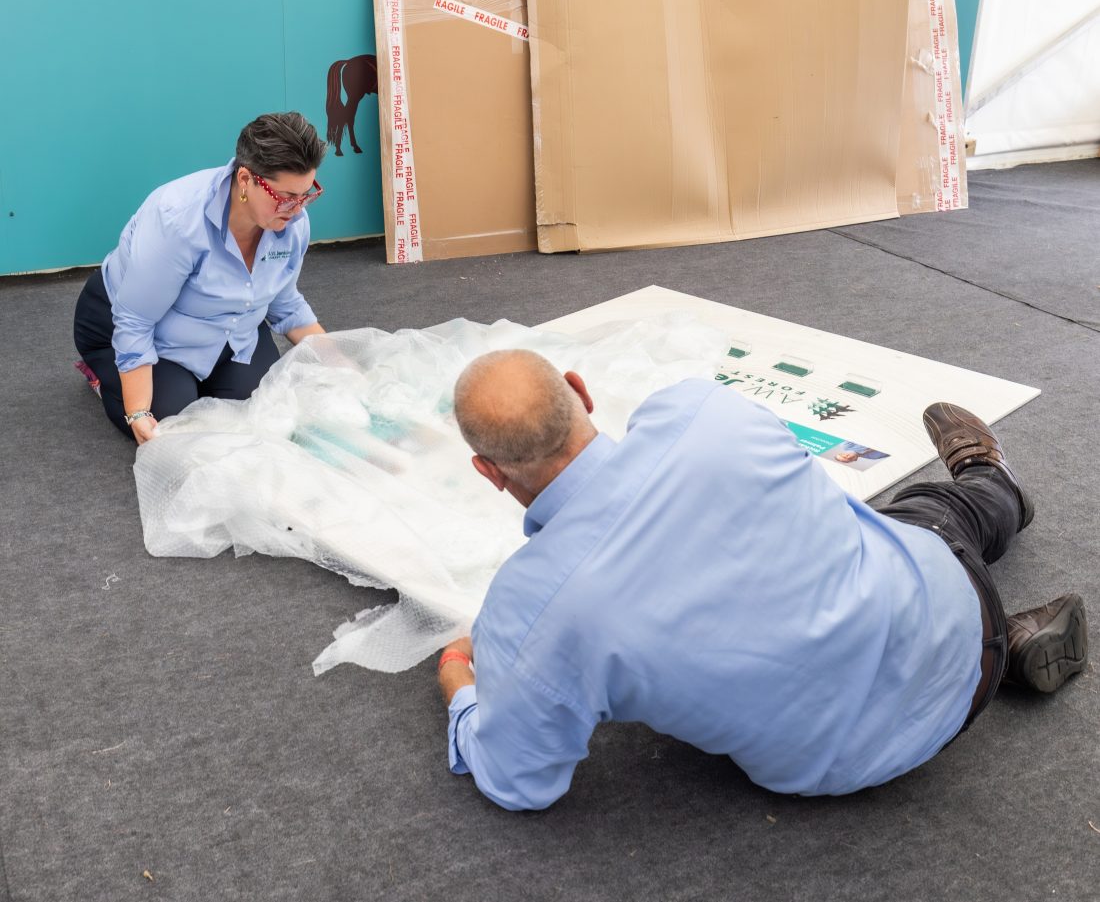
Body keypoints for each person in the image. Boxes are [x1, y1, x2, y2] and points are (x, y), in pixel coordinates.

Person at [437, 352, 1088, 811]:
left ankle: (1013, 617)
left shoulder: (529, 611)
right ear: (581, 391)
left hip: (843, 765)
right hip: (954, 620)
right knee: (929, 513)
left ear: (488, 472)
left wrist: (461, 685)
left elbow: (518, 779)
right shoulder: (702, 411)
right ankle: (992, 491)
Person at [74, 111, 327, 443]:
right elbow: (135, 320)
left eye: (307, 194)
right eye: (286, 198)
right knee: (176, 430)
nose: (297, 210)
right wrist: (137, 411)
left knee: (261, 414)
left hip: (231, 330)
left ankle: (193, 382)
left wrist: (342, 365)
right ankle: (102, 375)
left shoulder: (292, 223)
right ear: (247, 180)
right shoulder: (178, 220)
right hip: (135, 325)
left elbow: (285, 302)